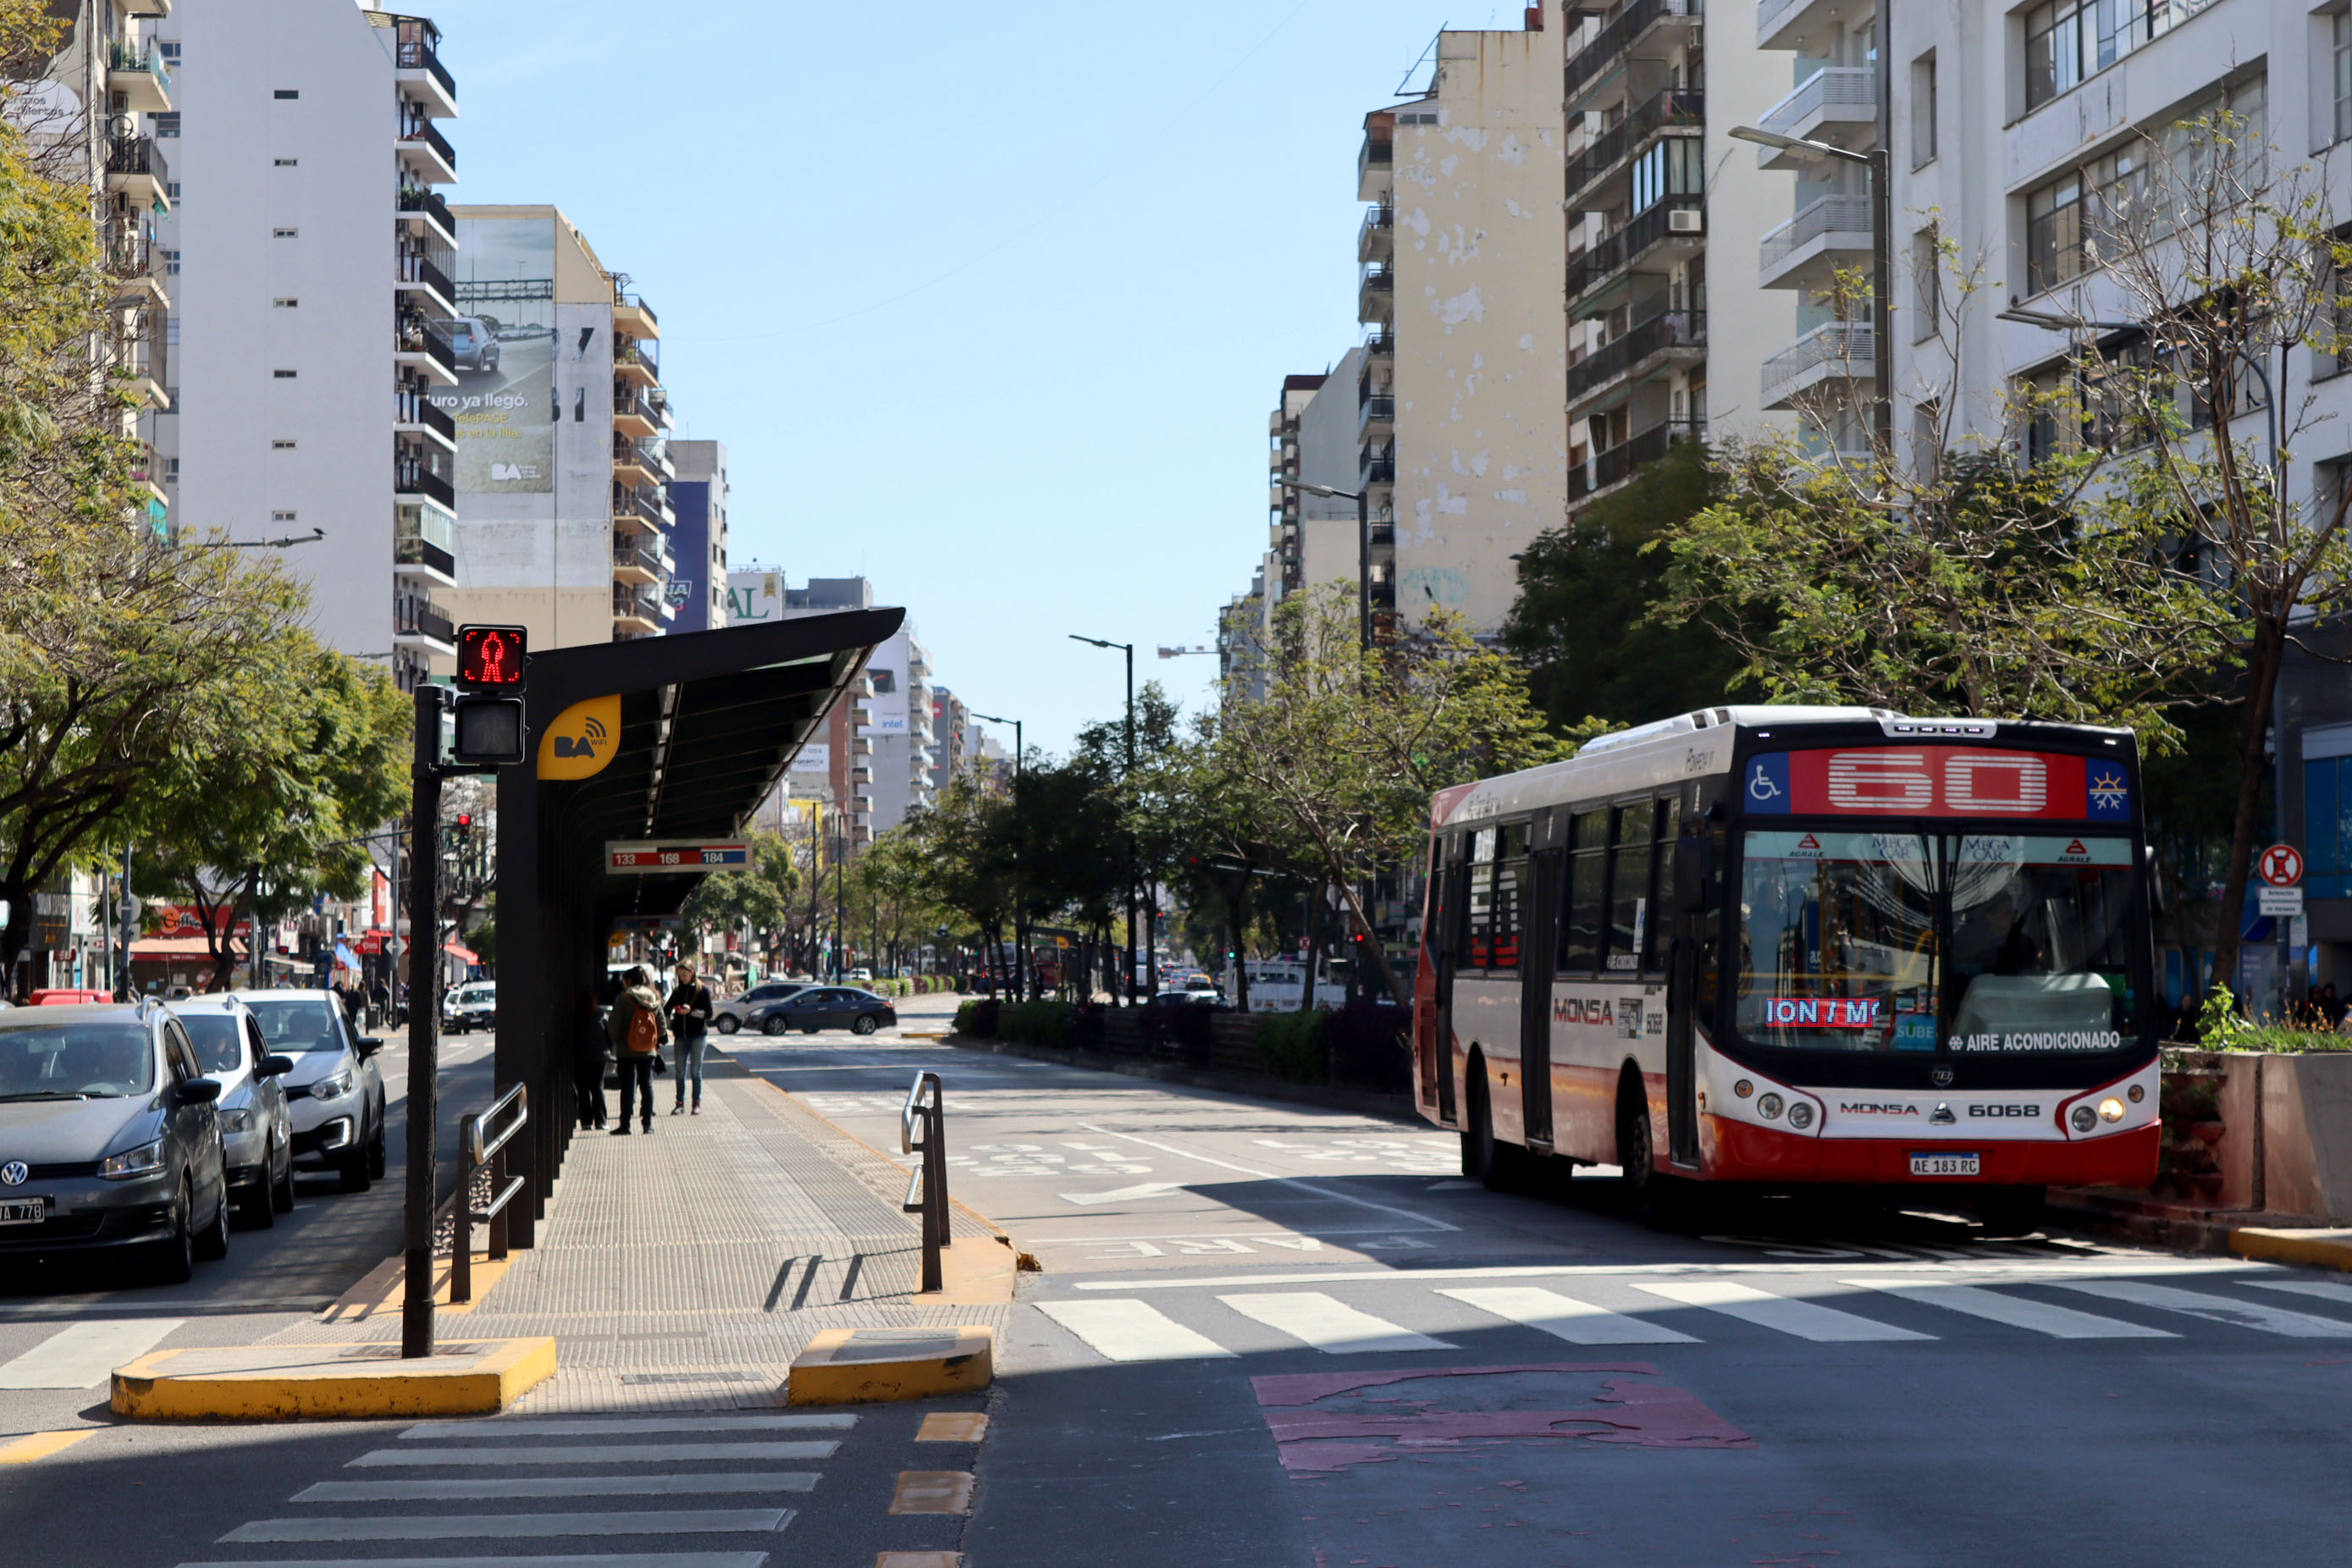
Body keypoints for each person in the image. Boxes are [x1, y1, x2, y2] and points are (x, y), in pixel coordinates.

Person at [604, 964, 669, 1135]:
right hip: (648, 1050)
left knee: (627, 1087)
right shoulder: (654, 997)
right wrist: (652, 1039)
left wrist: (618, 1040)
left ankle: (625, 1125)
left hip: (626, 1049)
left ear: (629, 981)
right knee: (647, 1085)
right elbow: (662, 1026)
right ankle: (647, 1125)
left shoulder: (624, 998)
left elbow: (613, 1025)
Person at [665, 961, 714, 1116]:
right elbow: (666, 1009)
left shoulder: (702, 991)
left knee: (695, 1071)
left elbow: (709, 1013)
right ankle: (679, 1103)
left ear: (693, 972)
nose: (683, 978)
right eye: (680, 975)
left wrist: (691, 1011)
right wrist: (672, 1021)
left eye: (685, 975)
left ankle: (696, 1103)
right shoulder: (678, 991)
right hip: (681, 1036)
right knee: (679, 1071)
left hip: (698, 1036)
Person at [572, 986, 608, 1131]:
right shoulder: (600, 1013)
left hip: (580, 1055)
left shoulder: (574, 1015)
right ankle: (601, 1121)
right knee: (597, 1087)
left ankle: (586, 1121)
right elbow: (609, 1033)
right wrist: (608, 1049)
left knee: (582, 1089)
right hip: (599, 1056)